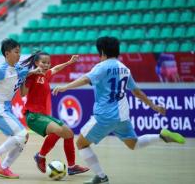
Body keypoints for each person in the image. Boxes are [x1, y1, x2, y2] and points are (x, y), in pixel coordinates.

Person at [52, 36, 186, 184]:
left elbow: (85, 79)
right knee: (133, 144)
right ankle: (161, 136)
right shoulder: (125, 69)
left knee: (81, 144)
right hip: (122, 116)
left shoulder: (101, 66)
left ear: (102, 52)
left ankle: (102, 177)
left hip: (104, 115)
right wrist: (154, 106)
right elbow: (137, 92)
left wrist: (65, 87)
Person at [0, 39, 41, 179]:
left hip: (7, 109)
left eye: (19, 52)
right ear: (7, 54)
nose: (19, 55)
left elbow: (23, 76)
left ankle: (4, 168)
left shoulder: (19, 69)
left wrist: (35, 72)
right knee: (22, 134)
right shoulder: (0, 69)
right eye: (16, 52)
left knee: (23, 138)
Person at [19, 51, 89, 175]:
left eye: (48, 63)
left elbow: (55, 68)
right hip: (33, 116)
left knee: (68, 134)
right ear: (36, 63)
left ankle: (72, 167)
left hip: (43, 115)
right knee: (58, 130)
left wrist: (69, 62)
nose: (46, 65)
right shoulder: (31, 76)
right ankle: (41, 156)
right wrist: (25, 76)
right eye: (43, 62)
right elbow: (23, 93)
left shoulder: (46, 74)